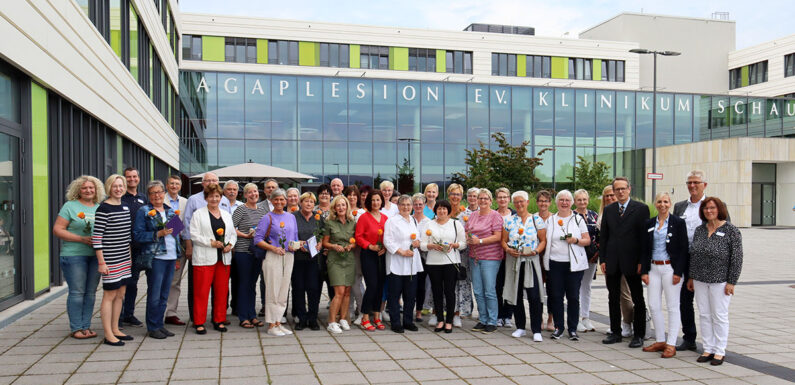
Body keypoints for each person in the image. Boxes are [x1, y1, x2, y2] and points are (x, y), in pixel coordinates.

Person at [672, 170, 730, 352]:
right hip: (685, 259)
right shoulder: (680, 206)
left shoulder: (714, 206)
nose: (692, 186)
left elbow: (727, 234)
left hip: (709, 262)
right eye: (689, 182)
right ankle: (689, 337)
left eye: (696, 182)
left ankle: (716, 345)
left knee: (712, 307)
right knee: (684, 301)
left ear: (704, 185)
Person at [687, 197, 742, 366]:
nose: (708, 211)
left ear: (719, 209)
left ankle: (719, 350)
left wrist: (732, 282)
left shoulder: (731, 230)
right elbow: (694, 255)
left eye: (712, 208)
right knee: (704, 314)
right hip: (700, 279)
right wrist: (691, 277)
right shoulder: (700, 230)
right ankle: (708, 348)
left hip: (720, 280)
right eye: (705, 208)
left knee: (719, 315)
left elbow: (737, 258)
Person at [600, 177, 650, 348]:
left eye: (623, 188)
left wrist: (642, 262)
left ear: (629, 189)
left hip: (632, 261)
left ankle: (639, 334)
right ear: (613, 191)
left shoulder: (641, 209)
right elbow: (604, 237)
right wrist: (603, 259)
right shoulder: (609, 210)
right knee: (613, 297)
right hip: (613, 261)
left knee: (637, 298)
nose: (620, 192)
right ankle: (616, 332)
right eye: (617, 189)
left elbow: (644, 239)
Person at [53, 175, 104, 339]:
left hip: (95, 256)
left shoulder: (99, 207)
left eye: (91, 188)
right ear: (78, 190)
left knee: (90, 292)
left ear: (96, 190)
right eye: (84, 188)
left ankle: (86, 326)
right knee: (77, 292)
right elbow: (58, 230)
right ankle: (76, 328)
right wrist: (81, 239)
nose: (88, 190)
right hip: (74, 255)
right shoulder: (70, 206)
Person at [640, 192, 688, 358]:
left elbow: (683, 250)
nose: (662, 204)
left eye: (666, 202)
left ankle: (671, 343)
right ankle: (660, 339)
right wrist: (644, 271)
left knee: (673, 306)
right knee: (653, 305)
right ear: (655, 204)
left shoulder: (678, 223)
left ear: (670, 203)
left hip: (670, 269)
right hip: (653, 268)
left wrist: (678, 272)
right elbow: (644, 249)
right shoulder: (649, 223)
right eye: (659, 201)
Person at [133, 180, 181, 339]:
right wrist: (157, 234)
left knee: (164, 294)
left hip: (171, 257)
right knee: (154, 293)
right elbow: (137, 235)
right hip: (156, 258)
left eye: (159, 192)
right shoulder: (144, 211)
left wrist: (178, 257)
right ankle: (153, 326)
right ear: (149, 195)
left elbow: (177, 235)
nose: (157, 196)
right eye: (153, 193)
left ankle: (160, 324)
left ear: (164, 193)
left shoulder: (171, 211)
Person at [189, 183, 237, 335]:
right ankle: (199, 322)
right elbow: (194, 235)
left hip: (223, 258)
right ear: (206, 198)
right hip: (204, 257)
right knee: (201, 291)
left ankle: (219, 319)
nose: (214, 199)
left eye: (217, 196)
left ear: (221, 197)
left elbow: (232, 234)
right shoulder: (198, 214)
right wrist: (210, 243)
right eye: (211, 196)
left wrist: (230, 244)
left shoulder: (227, 215)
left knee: (222, 291)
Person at [92, 174, 134, 346]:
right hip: (110, 259)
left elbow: (127, 237)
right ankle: (108, 334)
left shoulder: (125, 207)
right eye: (115, 186)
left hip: (124, 258)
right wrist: (101, 262)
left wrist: (129, 257)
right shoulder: (103, 208)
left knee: (121, 294)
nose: (118, 189)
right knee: (109, 295)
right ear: (109, 188)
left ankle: (116, 328)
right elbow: (97, 237)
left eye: (121, 185)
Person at [544, 190, 591, 341]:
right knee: (556, 296)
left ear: (571, 203)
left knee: (573, 297)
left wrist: (576, 240)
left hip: (574, 265)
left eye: (567, 200)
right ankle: (558, 327)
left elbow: (587, 240)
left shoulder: (578, 220)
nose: (564, 202)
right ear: (557, 202)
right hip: (555, 263)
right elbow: (544, 240)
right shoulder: (550, 220)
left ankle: (572, 328)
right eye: (561, 200)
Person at [501, 191, 547, 341]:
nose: (519, 204)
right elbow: (503, 240)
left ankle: (536, 330)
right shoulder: (509, 221)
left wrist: (536, 251)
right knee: (516, 294)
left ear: (527, 202)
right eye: (516, 202)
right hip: (514, 261)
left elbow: (543, 240)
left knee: (534, 296)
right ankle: (520, 326)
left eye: (522, 201)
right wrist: (508, 249)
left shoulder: (536, 220)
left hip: (531, 261)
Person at [253, 189, 299, 336]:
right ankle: (272, 324)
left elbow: (295, 237)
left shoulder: (291, 217)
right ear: (271, 201)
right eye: (276, 200)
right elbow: (257, 239)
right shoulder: (267, 217)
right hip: (273, 256)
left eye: (282, 199)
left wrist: (295, 245)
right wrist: (273, 248)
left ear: (286, 201)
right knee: (273, 290)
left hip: (288, 256)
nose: (279, 202)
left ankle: (279, 321)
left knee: (283, 290)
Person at [420, 199, 465, 333]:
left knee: (450, 292)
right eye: (439, 208)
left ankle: (449, 321)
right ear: (436, 211)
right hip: (434, 263)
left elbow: (463, 243)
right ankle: (440, 319)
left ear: (448, 210)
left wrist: (455, 245)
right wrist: (431, 246)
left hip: (451, 262)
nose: (442, 211)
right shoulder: (429, 224)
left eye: (444, 208)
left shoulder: (456, 224)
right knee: (437, 291)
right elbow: (422, 244)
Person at [466, 188, 505, 334]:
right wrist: (467, 238)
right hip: (474, 257)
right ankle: (482, 319)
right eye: (480, 198)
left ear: (490, 200)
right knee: (477, 290)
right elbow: (467, 230)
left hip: (490, 258)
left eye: (485, 198)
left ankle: (492, 321)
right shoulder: (473, 215)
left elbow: (498, 236)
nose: (482, 201)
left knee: (489, 290)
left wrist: (479, 240)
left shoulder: (495, 216)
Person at [383, 195, 423, 333]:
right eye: (403, 204)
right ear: (398, 206)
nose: (406, 207)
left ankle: (407, 321)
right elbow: (387, 241)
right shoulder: (392, 221)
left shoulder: (413, 220)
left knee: (410, 295)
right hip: (397, 263)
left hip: (412, 264)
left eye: (408, 204)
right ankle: (395, 322)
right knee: (394, 295)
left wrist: (418, 243)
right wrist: (401, 252)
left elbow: (417, 238)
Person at [231, 183, 268, 329]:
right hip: (243, 251)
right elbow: (231, 227)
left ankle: (252, 315)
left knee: (252, 284)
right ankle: (243, 316)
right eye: (250, 192)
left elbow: (267, 228)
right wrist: (246, 235)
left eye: (255, 192)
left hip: (257, 252)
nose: (253, 194)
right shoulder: (241, 209)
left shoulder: (263, 210)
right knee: (244, 284)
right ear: (245, 195)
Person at [321, 195, 357, 334]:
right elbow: (325, 242)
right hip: (335, 259)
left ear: (347, 206)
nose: (341, 207)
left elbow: (355, 241)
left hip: (349, 259)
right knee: (339, 292)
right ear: (334, 208)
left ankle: (342, 319)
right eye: (338, 205)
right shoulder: (329, 222)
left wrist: (351, 246)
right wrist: (334, 246)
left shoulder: (352, 222)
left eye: (343, 205)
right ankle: (331, 322)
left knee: (347, 292)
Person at [355, 189, 388, 331]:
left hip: (382, 254)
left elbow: (390, 237)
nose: (375, 202)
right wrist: (369, 246)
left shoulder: (386, 218)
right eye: (373, 200)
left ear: (381, 201)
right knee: (372, 285)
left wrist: (385, 247)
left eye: (378, 200)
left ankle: (377, 316)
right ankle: (365, 317)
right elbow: (358, 236)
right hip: (368, 254)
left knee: (380, 286)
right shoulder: (364, 217)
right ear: (369, 201)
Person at [120, 167, 148, 327]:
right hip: (122, 248)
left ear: (138, 178)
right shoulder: (119, 197)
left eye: (134, 176)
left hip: (138, 248)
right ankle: (119, 314)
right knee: (121, 283)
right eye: (128, 177)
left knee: (133, 282)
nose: (131, 179)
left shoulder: (143, 197)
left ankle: (128, 314)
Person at [292, 192, 323, 331]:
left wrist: (320, 244)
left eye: (311, 201)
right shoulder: (293, 217)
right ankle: (301, 319)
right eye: (306, 201)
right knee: (298, 289)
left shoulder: (318, 217)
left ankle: (312, 318)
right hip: (297, 258)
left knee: (313, 289)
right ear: (300, 202)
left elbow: (322, 235)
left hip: (313, 259)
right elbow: (289, 235)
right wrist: (299, 244)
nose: (309, 204)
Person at [574, 189, 599, 333]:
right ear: (575, 201)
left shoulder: (594, 215)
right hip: (577, 256)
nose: (582, 202)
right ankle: (575, 318)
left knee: (587, 287)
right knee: (575, 287)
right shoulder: (572, 216)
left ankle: (586, 317)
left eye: (584, 199)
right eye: (579, 199)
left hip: (592, 257)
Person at [446, 183, 471, 327]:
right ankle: (442, 312)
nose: (455, 197)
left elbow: (471, 232)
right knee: (446, 283)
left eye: (458, 194)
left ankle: (457, 314)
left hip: (462, 254)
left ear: (462, 197)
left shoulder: (466, 214)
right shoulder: (443, 210)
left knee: (460, 283)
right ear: (449, 195)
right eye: (453, 194)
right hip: (446, 253)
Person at [164, 175, 188, 326]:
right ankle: (159, 310)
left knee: (176, 280)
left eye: (177, 184)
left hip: (180, 246)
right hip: (164, 245)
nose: (174, 186)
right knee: (162, 280)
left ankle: (171, 312)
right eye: (171, 183)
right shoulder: (161, 200)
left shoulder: (185, 202)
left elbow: (187, 222)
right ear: (167, 185)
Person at [343, 185, 365, 324]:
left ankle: (363, 311)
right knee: (346, 284)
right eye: (349, 195)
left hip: (357, 252)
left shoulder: (362, 213)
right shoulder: (342, 211)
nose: (351, 197)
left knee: (356, 283)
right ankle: (349, 311)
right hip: (343, 253)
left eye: (354, 195)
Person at [534, 190, 555, 332]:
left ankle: (551, 319)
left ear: (550, 203)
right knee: (537, 290)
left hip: (551, 257)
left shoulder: (554, 218)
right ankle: (539, 318)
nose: (543, 203)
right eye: (541, 201)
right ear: (537, 202)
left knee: (553, 290)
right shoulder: (533, 218)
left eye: (546, 201)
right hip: (536, 257)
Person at [494, 187, 515, 328]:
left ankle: (508, 315)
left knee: (510, 285)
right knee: (497, 286)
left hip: (511, 256)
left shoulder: (515, 215)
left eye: (505, 197)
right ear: (496, 199)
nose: (502, 199)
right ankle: (498, 315)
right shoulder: (492, 214)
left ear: (509, 198)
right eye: (500, 197)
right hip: (495, 255)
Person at [411, 193, 431, 323]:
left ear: (424, 205)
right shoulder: (409, 218)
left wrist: (421, 244)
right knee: (409, 284)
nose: (418, 206)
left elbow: (430, 239)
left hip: (423, 257)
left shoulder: (429, 222)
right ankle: (407, 309)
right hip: (409, 255)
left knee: (420, 285)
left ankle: (418, 311)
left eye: (420, 204)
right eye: (416, 204)